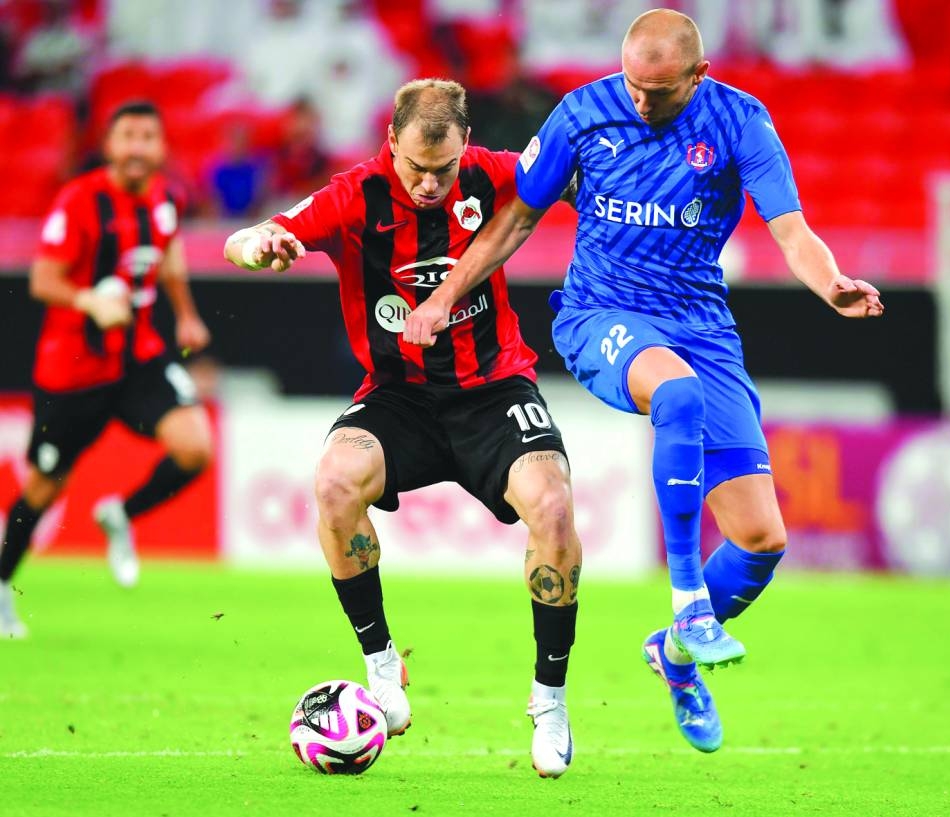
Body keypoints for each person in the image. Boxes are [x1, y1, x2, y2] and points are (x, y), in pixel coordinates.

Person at [404, 9, 884, 754]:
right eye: (634, 84)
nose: (641, 102)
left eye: (660, 92)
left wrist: (832, 285)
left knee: (761, 538)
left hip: (701, 325)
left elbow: (791, 228)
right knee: (679, 394)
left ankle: (674, 653)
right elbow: (515, 219)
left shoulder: (740, 121)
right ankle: (689, 596)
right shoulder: (583, 114)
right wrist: (441, 297)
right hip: (601, 313)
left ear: (698, 75)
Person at [223, 79, 582, 778]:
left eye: (442, 169)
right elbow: (252, 235)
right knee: (333, 483)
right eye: (415, 167)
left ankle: (550, 700)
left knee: (555, 507)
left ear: (464, 149)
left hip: (493, 389)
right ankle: (383, 668)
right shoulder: (354, 195)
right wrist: (259, 246)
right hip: (399, 398)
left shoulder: (494, 175)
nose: (427, 183)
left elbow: (571, 174)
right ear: (390, 143)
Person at [0, 101, 213, 636]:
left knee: (194, 448)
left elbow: (170, 254)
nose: (138, 147)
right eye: (127, 136)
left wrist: (185, 314)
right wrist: (91, 301)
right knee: (45, 486)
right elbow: (42, 281)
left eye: (148, 136)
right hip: (74, 370)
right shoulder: (80, 200)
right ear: (110, 144)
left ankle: (120, 514)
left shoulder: (167, 196)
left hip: (138, 358)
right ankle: (3, 585)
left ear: (161, 147)